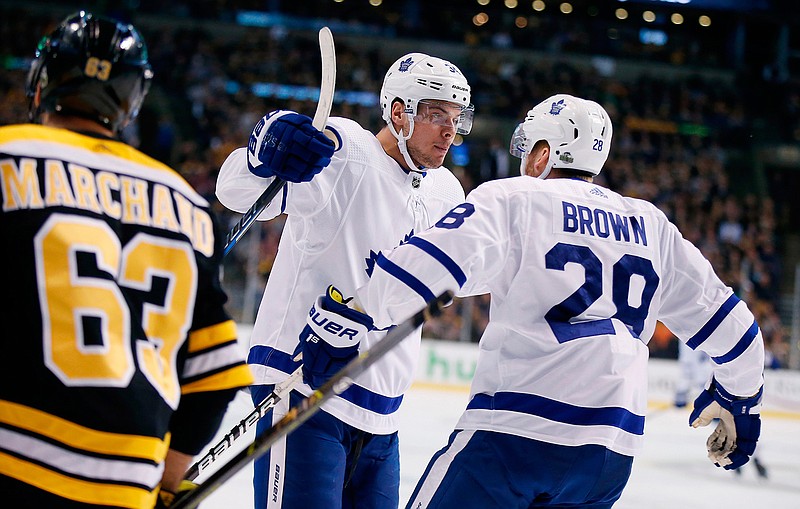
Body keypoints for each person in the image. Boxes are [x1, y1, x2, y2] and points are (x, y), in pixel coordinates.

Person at [345, 94, 765, 508]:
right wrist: (740, 401)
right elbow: (738, 332)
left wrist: (348, 316)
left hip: (513, 436)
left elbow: (403, 285)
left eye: (530, 147)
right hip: (607, 460)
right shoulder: (651, 225)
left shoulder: (515, 199)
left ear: (545, 153)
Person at [0, 12, 253, 508]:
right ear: (134, 98)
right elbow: (217, 376)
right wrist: (169, 478)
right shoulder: (185, 202)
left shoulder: (8, 157)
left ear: (42, 81)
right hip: (126, 484)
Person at [215, 52, 473, 508]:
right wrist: (262, 153)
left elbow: (459, 282)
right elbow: (235, 191)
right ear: (399, 113)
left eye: (457, 117)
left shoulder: (446, 191)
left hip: (383, 416)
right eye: (436, 115)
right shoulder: (348, 151)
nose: (450, 130)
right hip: (304, 391)